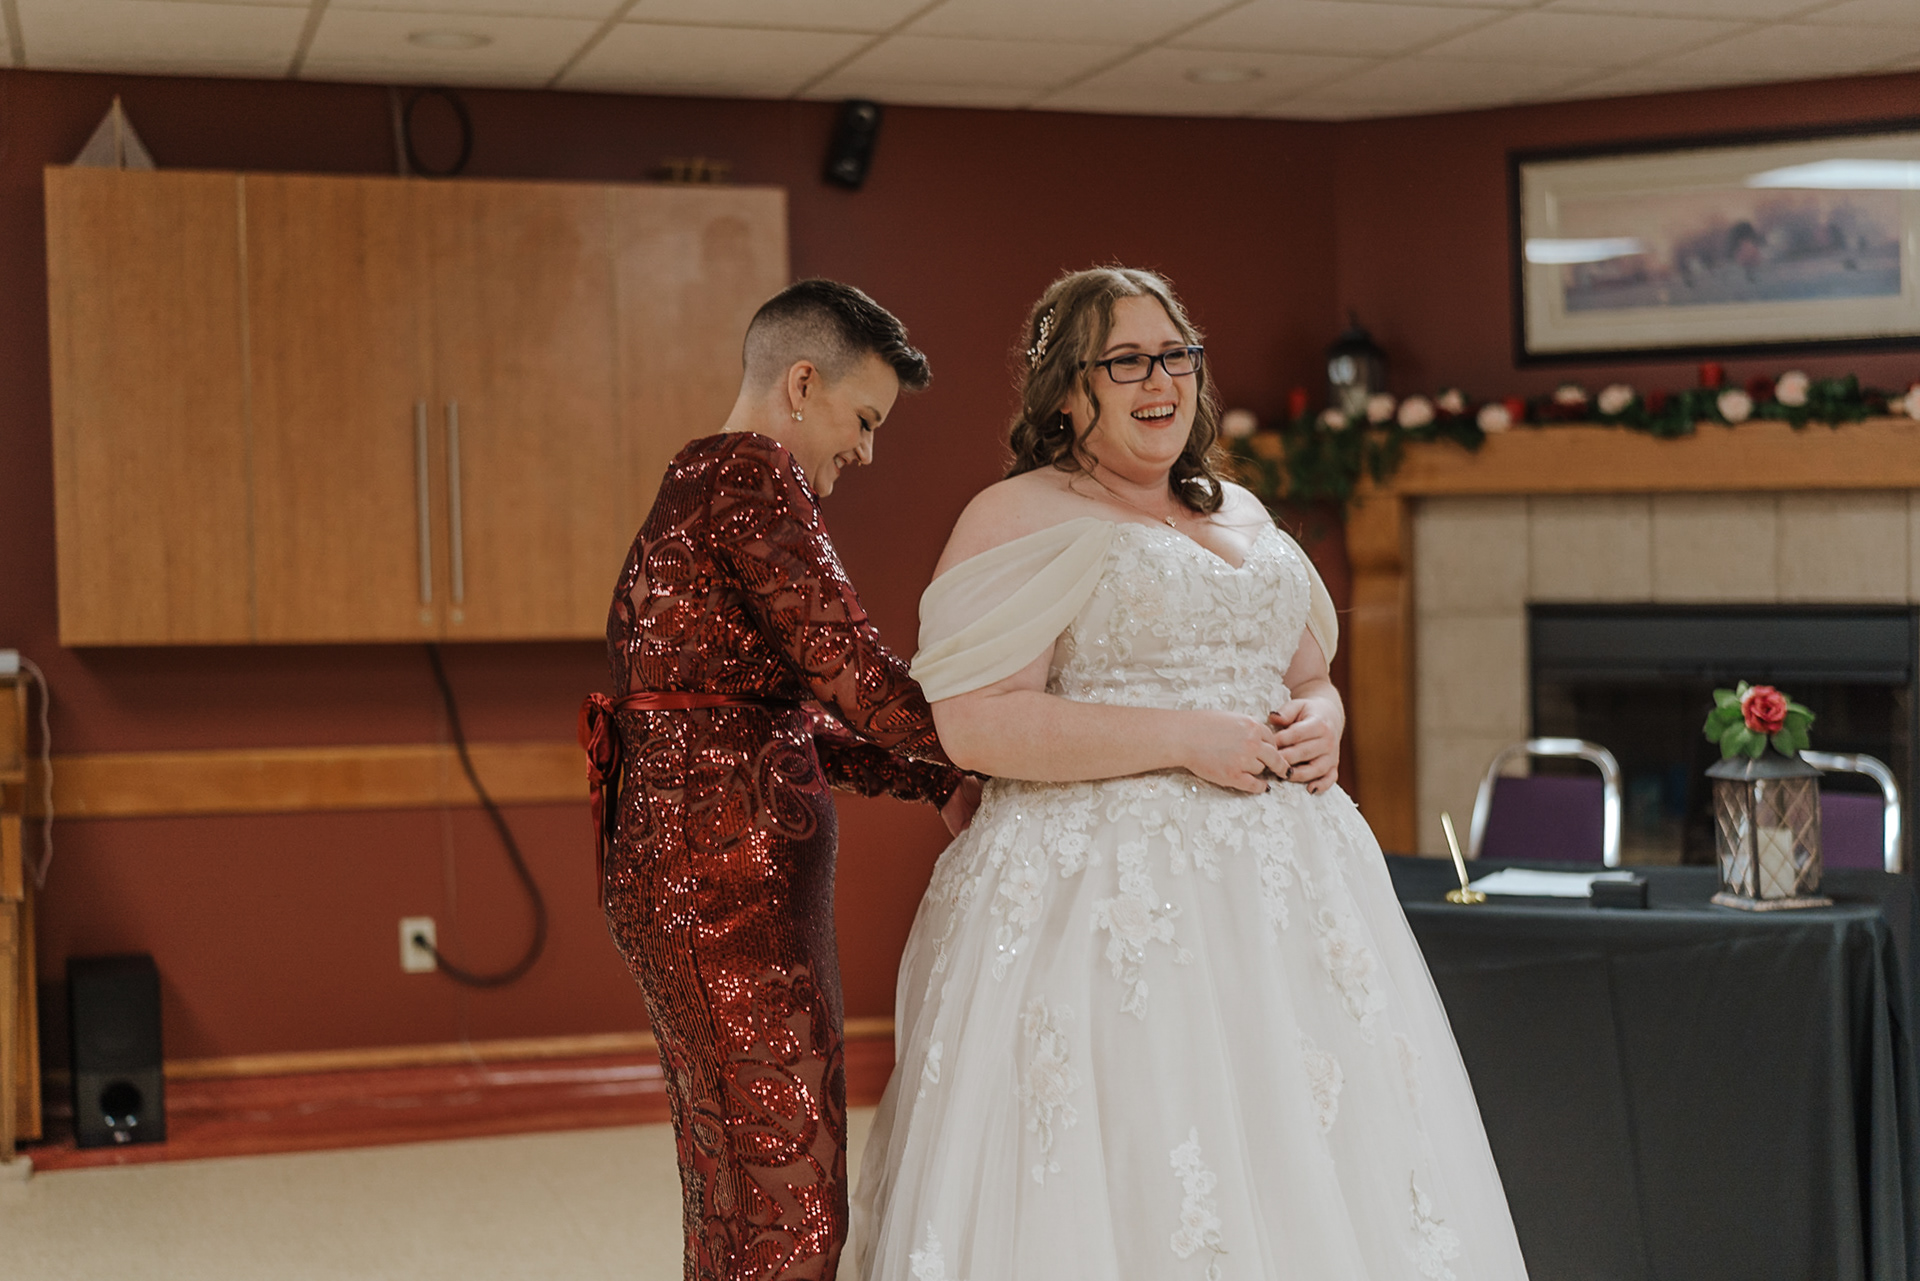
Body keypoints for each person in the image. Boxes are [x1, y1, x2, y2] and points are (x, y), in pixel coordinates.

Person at [854, 268, 1528, 1280]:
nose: (1161, 380)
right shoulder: (1013, 516)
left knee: (1309, 1146)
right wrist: (1182, 737)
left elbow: (1308, 675)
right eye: (1127, 361)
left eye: (1176, 355)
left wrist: (1325, 720)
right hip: (1110, 905)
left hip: (1290, 900)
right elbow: (977, 724)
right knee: (1145, 1149)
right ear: (1066, 391)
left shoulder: (1243, 510)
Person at [580, 279, 979, 1281]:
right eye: (864, 419)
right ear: (802, 383)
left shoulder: (695, 477)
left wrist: (930, 777)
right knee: (793, 1208)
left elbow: (779, 719)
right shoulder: (753, 477)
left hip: (681, 876)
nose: (867, 451)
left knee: (733, 1197)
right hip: (723, 892)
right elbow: (855, 675)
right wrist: (1006, 742)